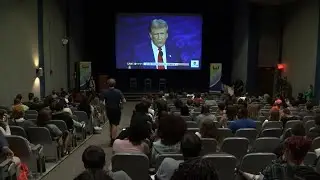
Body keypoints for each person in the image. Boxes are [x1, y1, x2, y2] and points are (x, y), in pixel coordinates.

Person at [102, 79, 126, 146]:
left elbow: (103, 103)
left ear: (108, 84)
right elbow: (124, 101)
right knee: (115, 124)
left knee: (111, 123)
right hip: (116, 109)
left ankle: (111, 137)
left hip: (108, 110)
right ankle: (113, 140)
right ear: (114, 84)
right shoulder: (118, 92)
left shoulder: (105, 92)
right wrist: (121, 105)